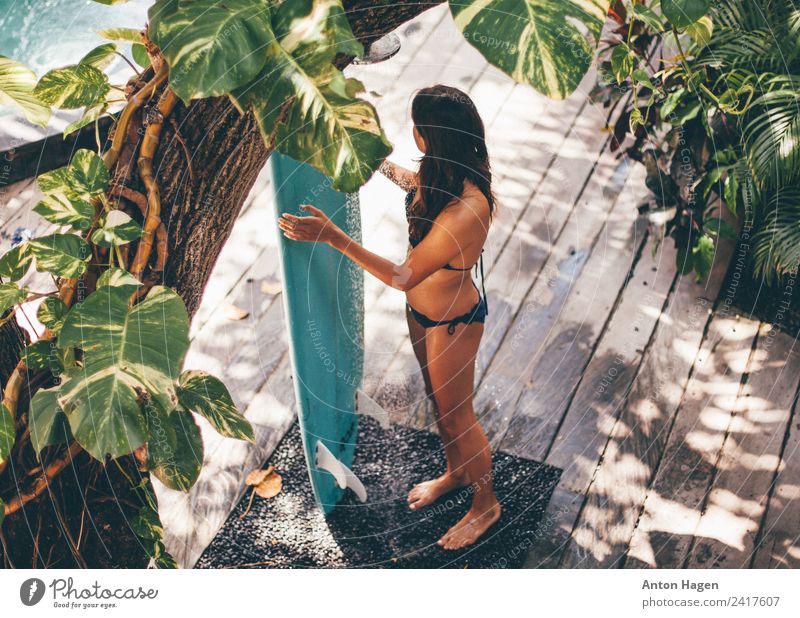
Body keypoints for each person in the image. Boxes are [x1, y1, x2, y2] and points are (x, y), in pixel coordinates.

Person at [277, 84, 500, 550]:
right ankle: (458, 473)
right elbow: (412, 183)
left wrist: (332, 236)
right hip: (422, 314)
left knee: (460, 418)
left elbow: (402, 275)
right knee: (441, 406)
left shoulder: (468, 207)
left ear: (426, 137)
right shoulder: (442, 171)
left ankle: (486, 506)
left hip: (452, 324)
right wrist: (372, 158)